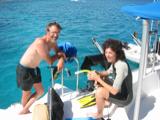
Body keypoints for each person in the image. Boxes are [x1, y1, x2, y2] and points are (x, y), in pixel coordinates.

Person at [16, 22, 66, 114]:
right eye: (53, 32)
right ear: (47, 31)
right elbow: (50, 61)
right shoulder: (40, 42)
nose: (56, 35)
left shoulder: (53, 42)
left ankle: (25, 109)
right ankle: (24, 111)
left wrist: (61, 59)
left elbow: (58, 51)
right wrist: (60, 55)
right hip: (25, 69)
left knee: (40, 91)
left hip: (34, 68)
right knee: (26, 93)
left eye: (58, 33)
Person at [87, 38, 129, 119]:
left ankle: (99, 115)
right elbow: (107, 72)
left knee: (99, 91)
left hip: (124, 98)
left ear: (116, 53)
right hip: (120, 90)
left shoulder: (121, 65)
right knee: (102, 78)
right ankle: (106, 101)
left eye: (110, 52)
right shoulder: (116, 61)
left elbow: (114, 91)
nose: (107, 55)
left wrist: (98, 79)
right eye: (106, 52)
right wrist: (97, 73)